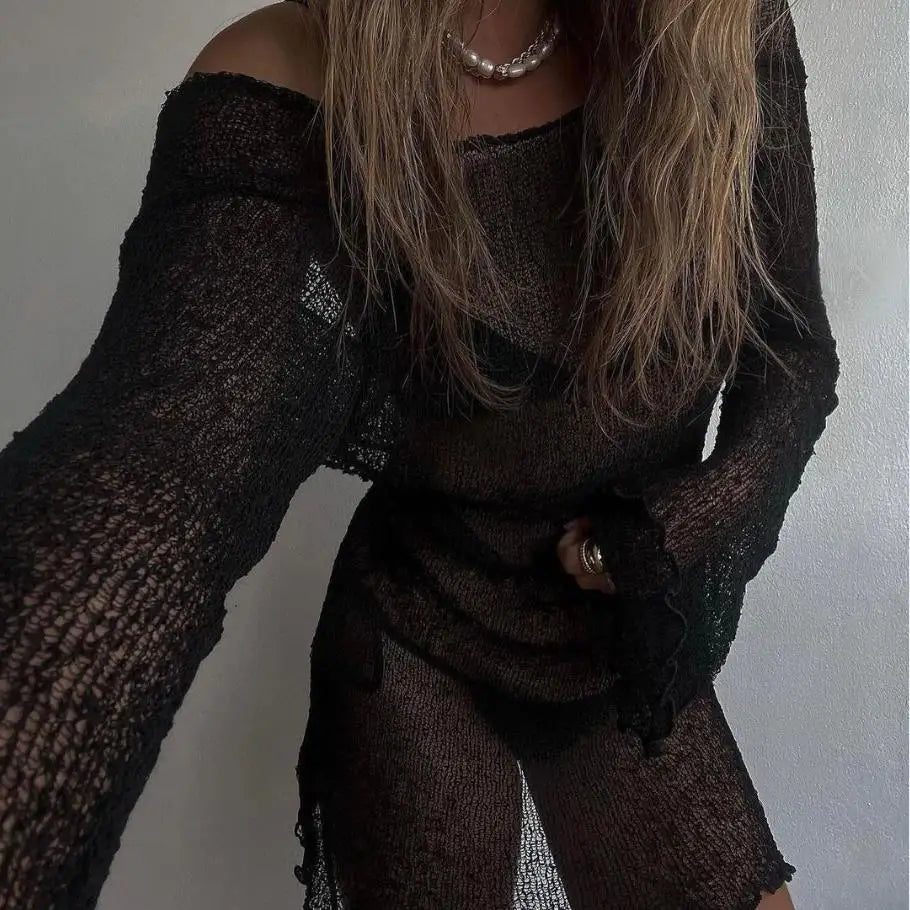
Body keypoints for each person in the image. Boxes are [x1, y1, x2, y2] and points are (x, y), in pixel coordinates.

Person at [0, 0, 840, 907]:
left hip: (615, 643)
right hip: (416, 629)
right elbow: (156, 479)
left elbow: (790, 352)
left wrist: (668, 532)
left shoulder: (716, 28)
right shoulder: (290, 76)